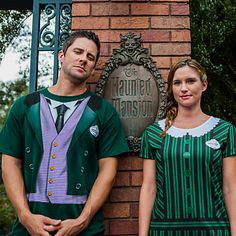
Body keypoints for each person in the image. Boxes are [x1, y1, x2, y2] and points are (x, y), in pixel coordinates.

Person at [0, 30, 129, 236]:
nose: (83, 59)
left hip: (84, 229)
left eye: (90, 57)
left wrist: (82, 221)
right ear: (61, 55)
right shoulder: (24, 106)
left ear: (93, 66)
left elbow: (108, 172)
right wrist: (26, 217)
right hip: (28, 228)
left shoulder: (102, 111)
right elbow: (10, 163)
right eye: (78, 51)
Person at [139, 58, 236, 235]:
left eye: (190, 81)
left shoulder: (225, 131)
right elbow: (149, 187)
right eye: (177, 83)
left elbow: (231, 188)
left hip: (214, 230)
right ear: (171, 88)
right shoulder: (153, 133)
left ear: (204, 85)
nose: (184, 88)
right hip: (164, 230)